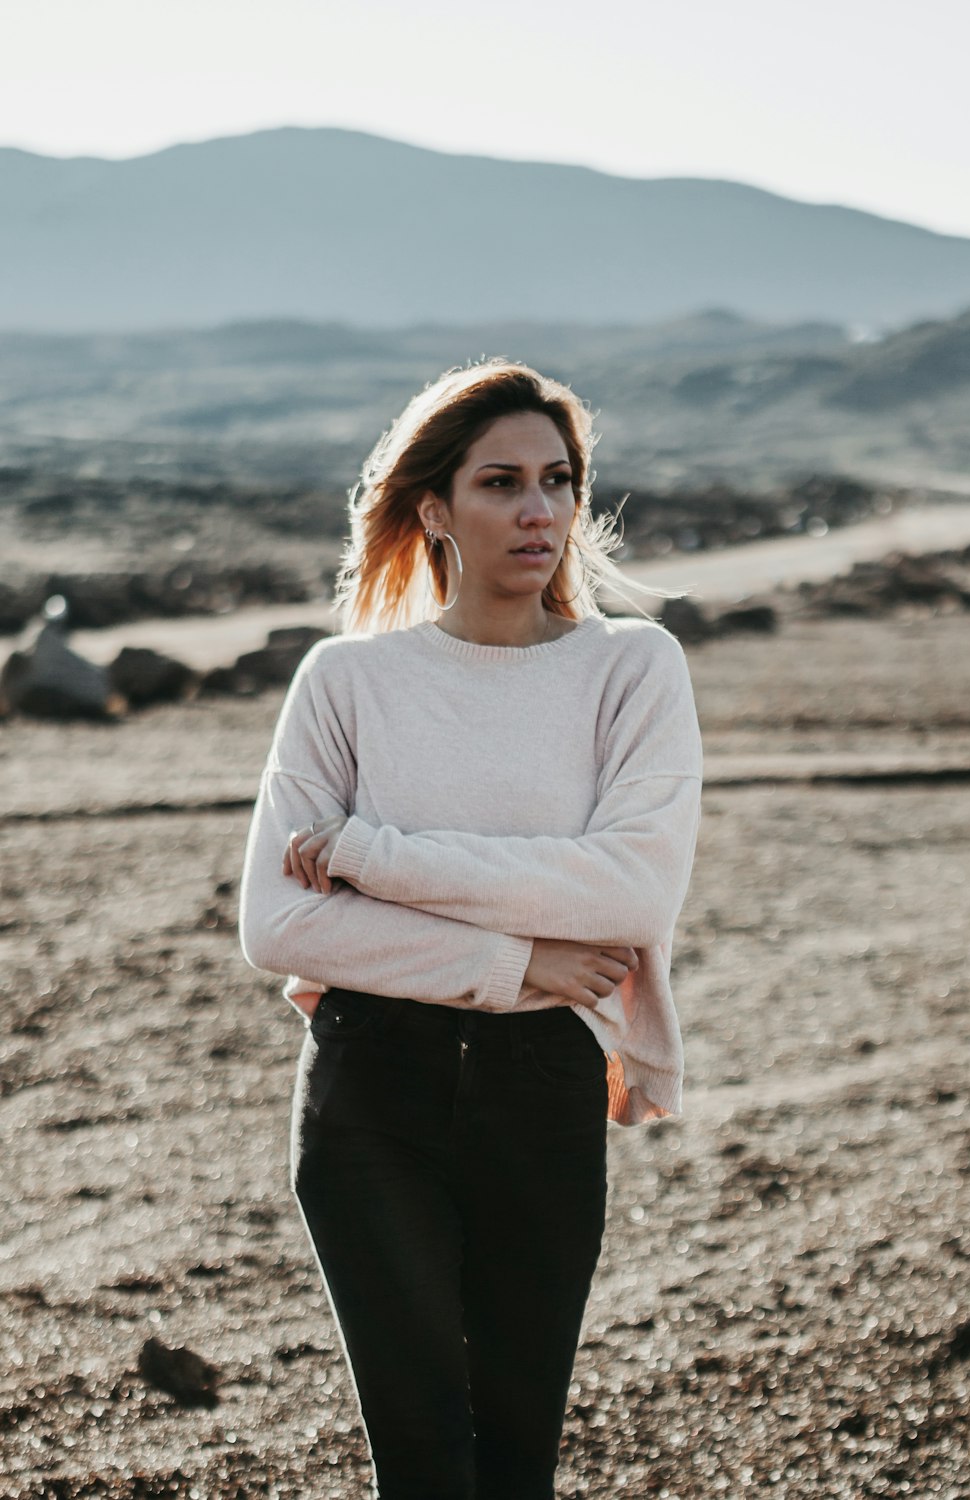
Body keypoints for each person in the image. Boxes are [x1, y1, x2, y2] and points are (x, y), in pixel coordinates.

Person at [238, 359, 703, 1500]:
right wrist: (516, 959)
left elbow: (629, 895)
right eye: (501, 482)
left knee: (516, 1460)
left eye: (558, 481)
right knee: (424, 1464)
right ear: (435, 509)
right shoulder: (346, 680)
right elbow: (278, 921)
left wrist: (373, 855)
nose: (539, 511)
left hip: (541, 1087)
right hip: (369, 1088)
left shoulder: (631, 666)